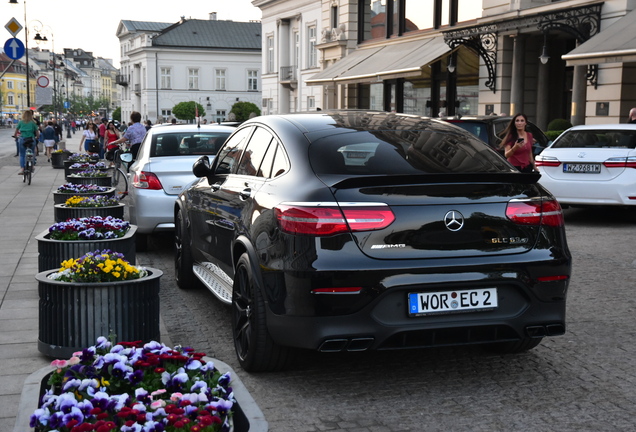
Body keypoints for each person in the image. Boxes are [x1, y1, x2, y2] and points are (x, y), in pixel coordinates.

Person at [14, 110, 40, 175]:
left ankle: (22, 168)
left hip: (23, 139)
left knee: (22, 154)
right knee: (32, 152)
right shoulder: (33, 122)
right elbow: (37, 131)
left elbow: (16, 130)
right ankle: (32, 166)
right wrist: (37, 137)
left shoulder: (21, 122)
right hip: (31, 139)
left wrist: (15, 136)